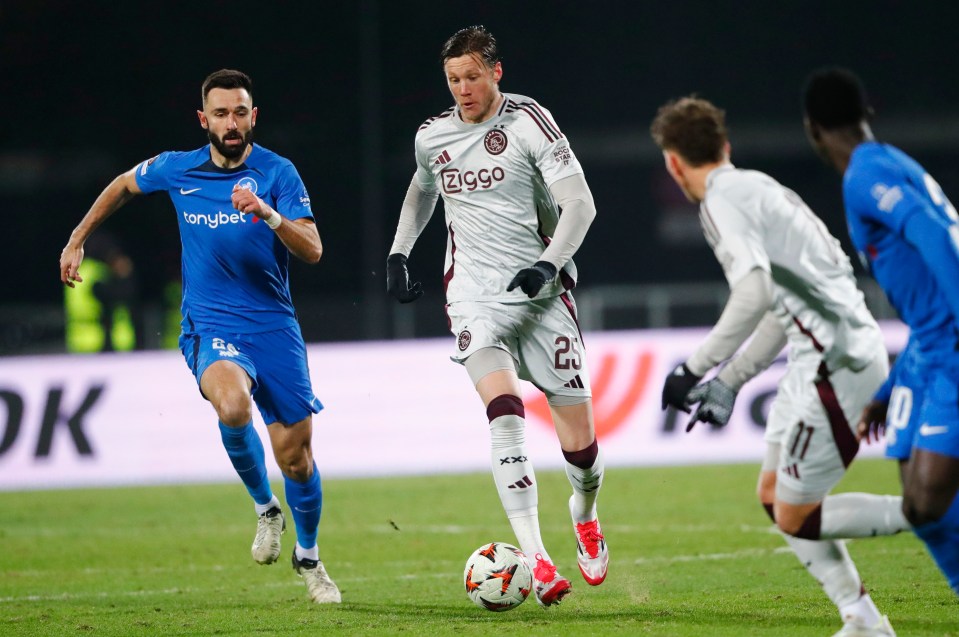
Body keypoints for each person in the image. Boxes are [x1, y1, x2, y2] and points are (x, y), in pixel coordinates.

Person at [59, 69, 340, 604]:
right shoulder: (177, 168)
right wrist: (78, 239)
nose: (231, 123)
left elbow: (314, 249)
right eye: (220, 113)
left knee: (297, 458)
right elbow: (122, 184)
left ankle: (309, 555)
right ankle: (265, 508)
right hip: (211, 325)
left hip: (275, 328)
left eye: (240, 112)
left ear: (253, 116)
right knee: (232, 406)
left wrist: (270, 214)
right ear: (203, 119)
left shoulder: (279, 173)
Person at [650, 96, 909, 637]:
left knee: (796, 512)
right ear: (725, 147)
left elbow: (754, 292)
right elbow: (777, 306)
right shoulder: (761, 188)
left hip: (835, 361)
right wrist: (730, 380)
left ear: (674, 163)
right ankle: (862, 619)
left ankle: (935, 509)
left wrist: (692, 368)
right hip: (821, 355)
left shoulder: (722, 202)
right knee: (773, 495)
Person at [385, 25, 606, 607]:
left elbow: (580, 203)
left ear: (496, 72)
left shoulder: (530, 121)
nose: (463, 89)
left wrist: (548, 263)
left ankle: (583, 514)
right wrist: (400, 251)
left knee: (581, 453)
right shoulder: (432, 137)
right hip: (474, 297)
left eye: (473, 77)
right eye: (454, 79)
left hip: (541, 298)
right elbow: (421, 189)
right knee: (504, 412)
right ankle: (537, 557)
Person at [804, 67, 959, 599]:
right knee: (916, 498)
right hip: (931, 347)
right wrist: (890, 388)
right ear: (864, 112)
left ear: (813, 129)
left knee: (928, 501)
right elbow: (926, 301)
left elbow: (936, 237)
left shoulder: (865, 176)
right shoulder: (893, 163)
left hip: (951, 349)